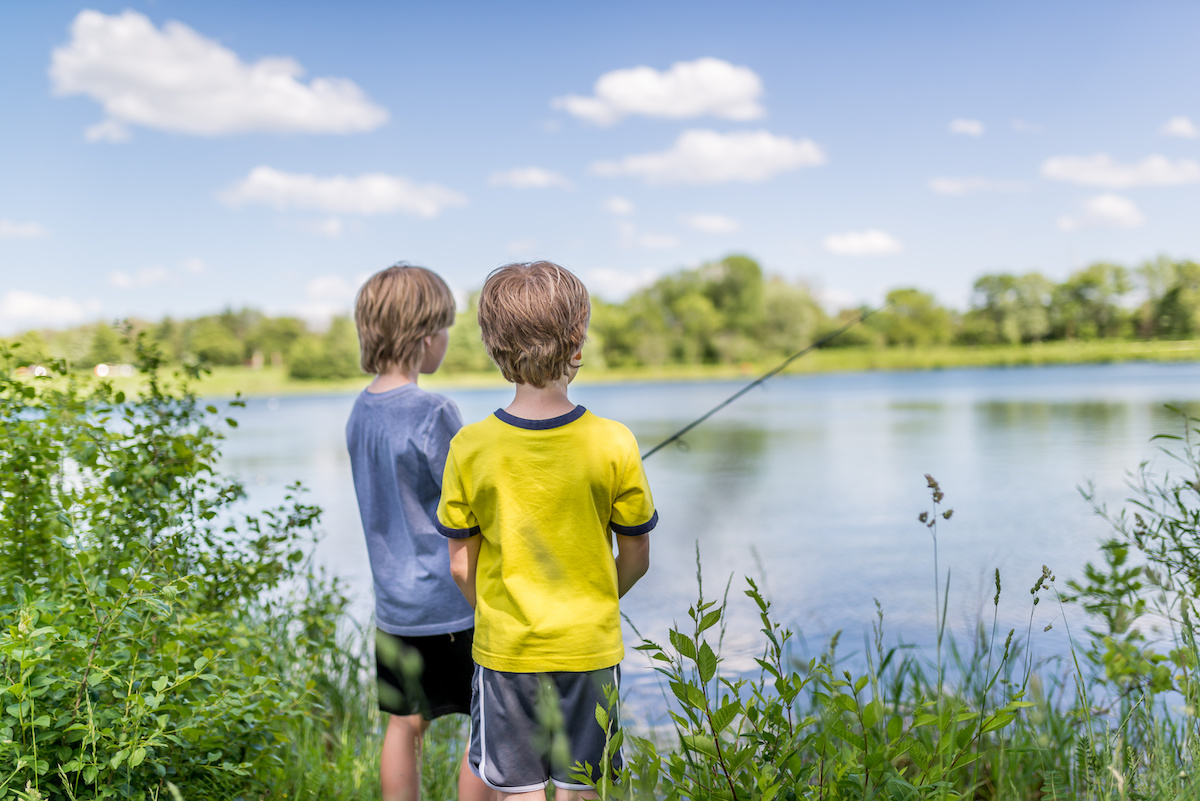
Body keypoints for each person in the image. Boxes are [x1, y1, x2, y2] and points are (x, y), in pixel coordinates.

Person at [436, 261, 657, 801]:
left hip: (507, 653)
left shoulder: (470, 446)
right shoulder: (614, 442)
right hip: (590, 647)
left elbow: (461, 564)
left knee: (519, 791)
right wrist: (596, 598)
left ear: (493, 347)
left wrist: (497, 610)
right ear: (578, 341)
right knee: (581, 790)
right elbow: (636, 557)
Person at [346, 263, 492, 801]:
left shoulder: (360, 411)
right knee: (489, 729)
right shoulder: (434, 411)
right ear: (426, 337)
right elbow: (473, 501)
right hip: (453, 605)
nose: (448, 339)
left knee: (405, 724)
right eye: (448, 328)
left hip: (395, 609)